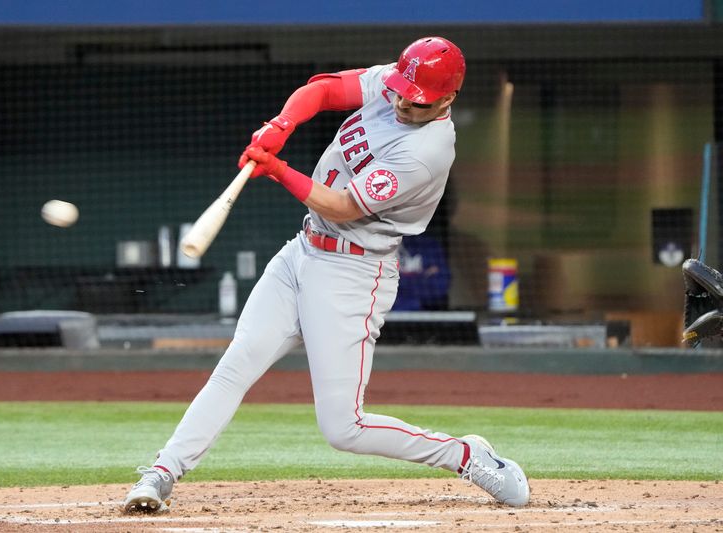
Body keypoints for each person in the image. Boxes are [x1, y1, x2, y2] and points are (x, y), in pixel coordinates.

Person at [124, 36, 530, 513]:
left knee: (344, 429)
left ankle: (465, 456)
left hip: (354, 272)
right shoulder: (399, 83)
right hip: (302, 251)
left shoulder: (428, 150)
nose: (401, 102)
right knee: (237, 363)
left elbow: (342, 205)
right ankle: (162, 472)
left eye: (417, 101)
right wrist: (281, 124)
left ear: (448, 99)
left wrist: (277, 169)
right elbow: (321, 90)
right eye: (401, 90)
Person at [393, 232, 451, 311]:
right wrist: (422, 275)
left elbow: (440, 286)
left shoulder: (429, 244)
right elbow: (379, 284)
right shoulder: (378, 244)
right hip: (383, 312)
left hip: (421, 314)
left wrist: (401, 278)